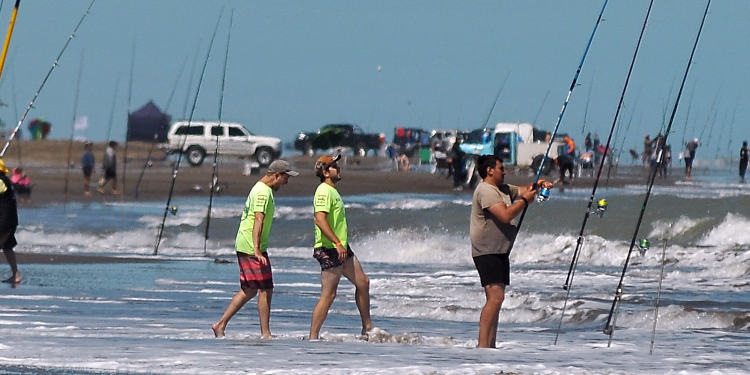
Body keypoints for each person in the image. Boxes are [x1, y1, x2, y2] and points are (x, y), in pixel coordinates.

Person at [470, 154, 552, 348]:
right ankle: (483, 346)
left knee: (497, 299)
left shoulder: (502, 189)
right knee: (495, 298)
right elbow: (505, 215)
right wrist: (525, 201)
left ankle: (490, 345)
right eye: (501, 168)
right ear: (490, 170)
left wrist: (537, 185)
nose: (504, 171)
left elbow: (523, 190)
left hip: (500, 251)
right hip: (487, 250)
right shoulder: (486, 191)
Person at [212, 160, 299, 338]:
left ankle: (221, 325)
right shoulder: (262, 192)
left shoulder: (263, 190)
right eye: (285, 178)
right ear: (276, 175)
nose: (287, 182)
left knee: (254, 289)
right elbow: (258, 220)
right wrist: (257, 250)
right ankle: (263, 333)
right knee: (261, 289)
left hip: (251, 245)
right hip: (251, 246)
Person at [309, 154, 374, 340]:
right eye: (334, 166)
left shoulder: (332, 191)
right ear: (325, 171)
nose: (339, 169)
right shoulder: (323, 191)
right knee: (328, 295)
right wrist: (337, 243)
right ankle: (313, 336)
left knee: (363, 282)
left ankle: (367, 328)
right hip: (329, 248)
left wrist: (341, 244)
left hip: (341, 247)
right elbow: (320, 220)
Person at [0, 159, 21, 284]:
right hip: (10, 220)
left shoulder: (1, 181)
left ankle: (16, 274)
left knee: (6, 246)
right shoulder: (5, 180)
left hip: (4, 221)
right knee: (7, 247)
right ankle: (16, 275)